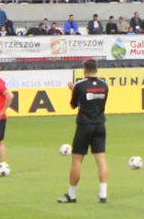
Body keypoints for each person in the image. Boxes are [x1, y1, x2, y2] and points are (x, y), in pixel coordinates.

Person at [59, 59, 110, 203]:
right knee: (101, 160)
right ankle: (103, 194)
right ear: (96, 69)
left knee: (77, 160)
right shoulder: (104, 85)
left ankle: (71, 194)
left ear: (84, 69)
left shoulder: (79, 86)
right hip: (100, 124)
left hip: (84, 125)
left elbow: (73, 105)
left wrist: (73, 89)